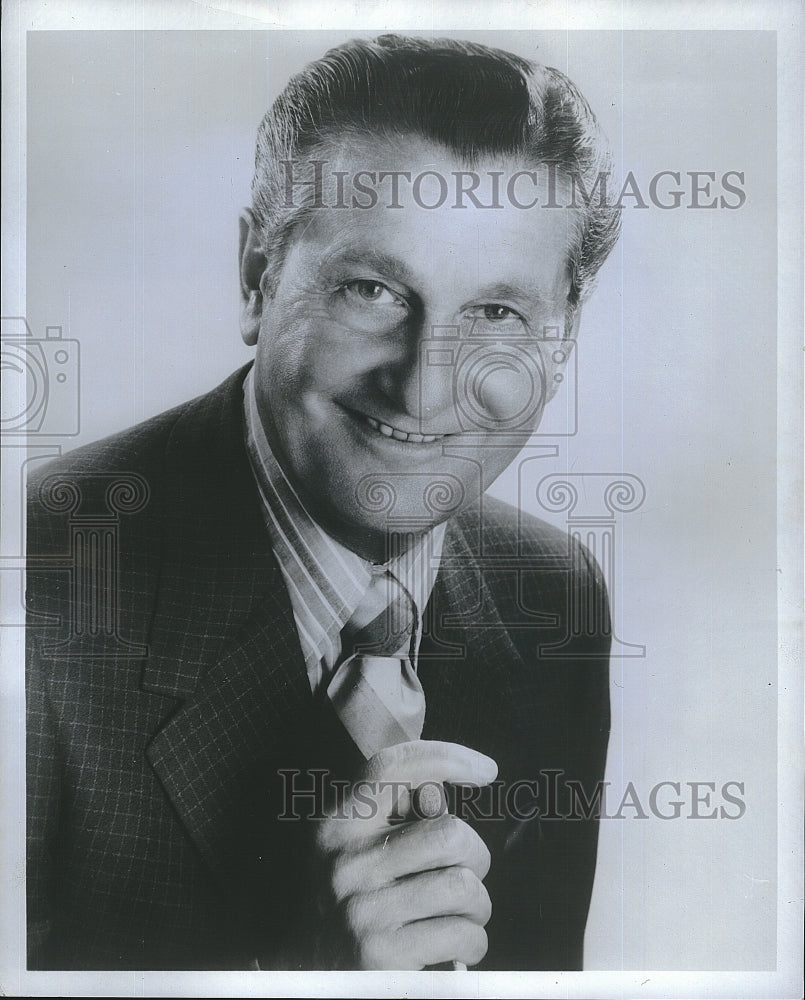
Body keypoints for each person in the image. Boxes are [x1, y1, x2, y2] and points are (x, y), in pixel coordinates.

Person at [26, 34, 619, 971]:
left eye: (496, 314)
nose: (425, 387)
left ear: (563, 334)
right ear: (257, 277)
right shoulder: (34, 588)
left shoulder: (549, 588)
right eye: (373, 289)